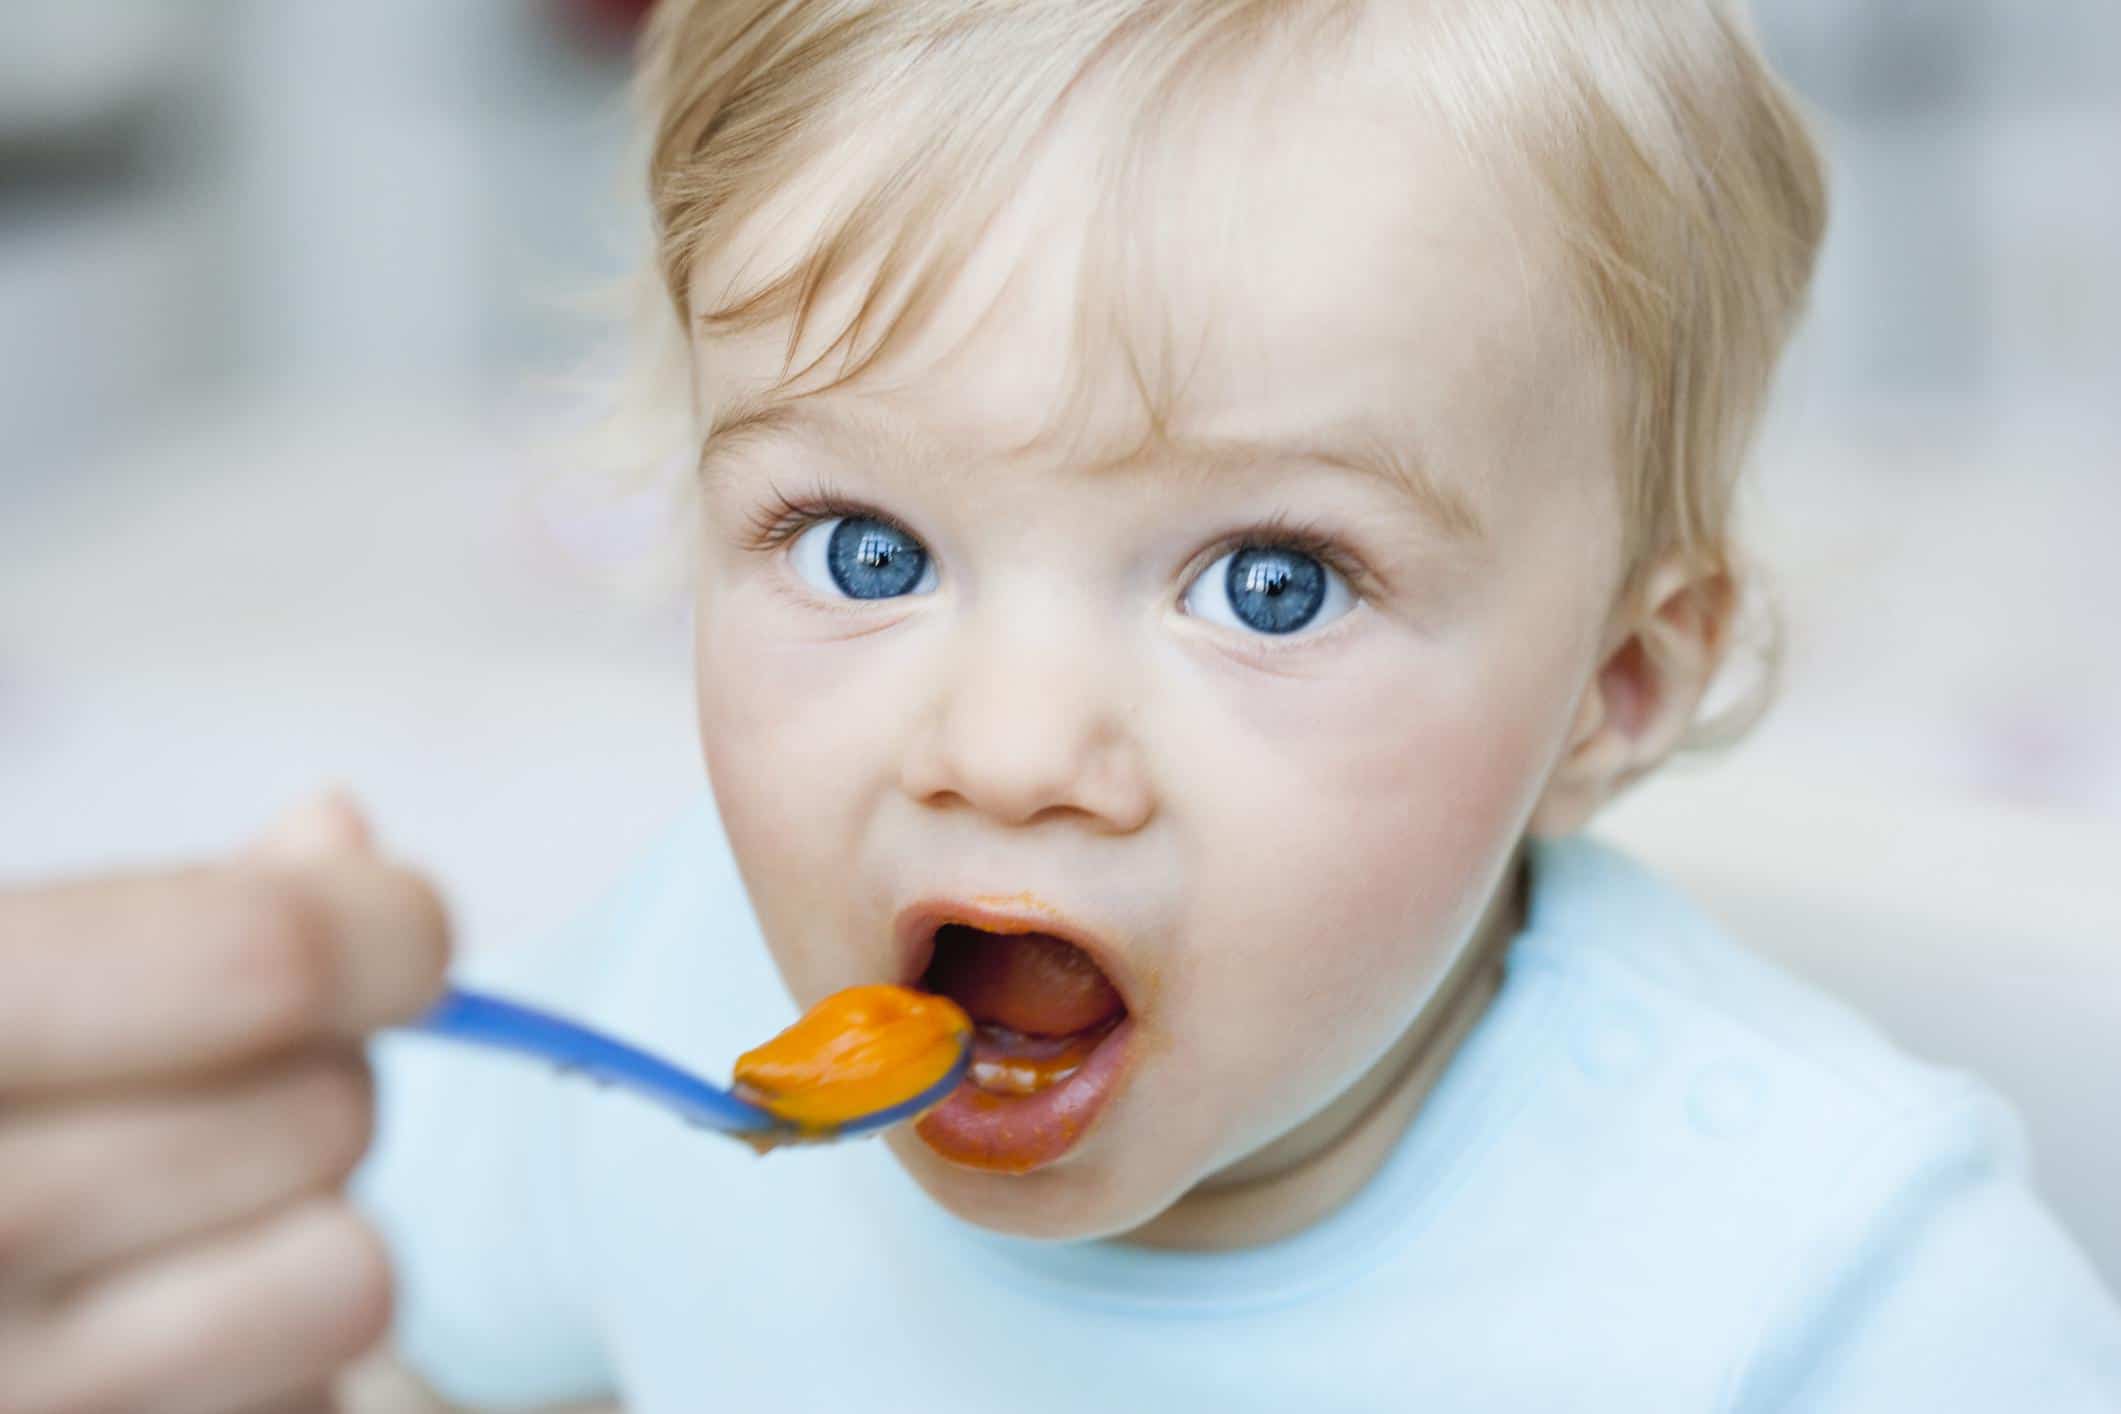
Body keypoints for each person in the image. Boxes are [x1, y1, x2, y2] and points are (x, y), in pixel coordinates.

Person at [6, 1, 2119, 1409]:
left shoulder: (1846, 1304)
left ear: (1614, 684)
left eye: (1268, 585)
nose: (1006, 749)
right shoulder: (648, 1017)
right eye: (860, 547)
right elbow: (355, 1323)